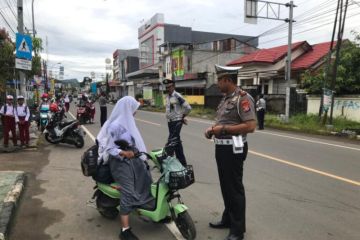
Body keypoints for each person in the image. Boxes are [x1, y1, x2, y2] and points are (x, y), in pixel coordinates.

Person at [204, 65, 256, 240]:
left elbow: (250, 126)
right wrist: (212, 130)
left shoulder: (243, 98)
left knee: (234, 189)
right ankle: (228, 219)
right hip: (222, 147)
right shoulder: (226, 99)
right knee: (226, 187)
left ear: (227, 80)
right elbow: (222, 121)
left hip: (234, 147)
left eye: (219, 80)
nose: (217, 83)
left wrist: (223, 129)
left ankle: (237, 230)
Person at [97, 96, 153, 240]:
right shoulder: (115, 125)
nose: (135, 112)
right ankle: (125, 230)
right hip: (119, 163)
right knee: (128, 190)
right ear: (127, 108)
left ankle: (143, 208)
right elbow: (109, 148)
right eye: (134, 109)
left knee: (146, 178)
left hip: (131, 160)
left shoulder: (128, 122)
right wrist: (123, 152)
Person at [162, 79, 192, 166]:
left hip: (176, 122)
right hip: (170, 122)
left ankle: (165, 160)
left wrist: (182, 117)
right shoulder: (167, 96)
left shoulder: (177, 96)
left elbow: (188, 108)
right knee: (176, 142)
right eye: (166, 87)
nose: (168, 89)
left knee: (171, 141)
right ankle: (183, 163)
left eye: (169, 87)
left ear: (173, 86)